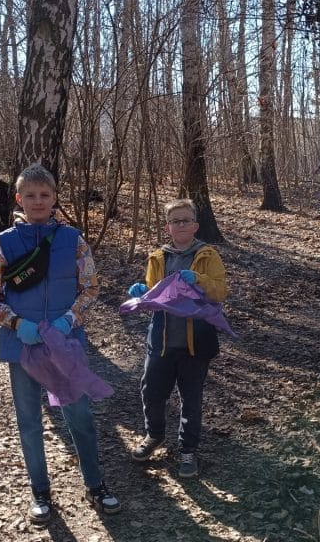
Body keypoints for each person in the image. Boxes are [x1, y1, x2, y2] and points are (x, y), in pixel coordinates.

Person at [0, 164, 121, 524]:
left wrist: (68, 321)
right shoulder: (3, 243)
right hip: (21, 344)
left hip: (65, 343)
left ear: (55, 197)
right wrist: (16, 323)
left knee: (80, 416)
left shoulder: (74, 240)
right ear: (19, 199)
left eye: (45, 195)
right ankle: (40, 491)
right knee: (29, 421)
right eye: (30, 195)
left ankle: (95, 483)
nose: (38, 201)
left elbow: (90, 288)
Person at [126, 198, 227, 478]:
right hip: (160, 341)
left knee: (191, 399)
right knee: (152, 392)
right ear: (167, 227)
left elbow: (219, 292)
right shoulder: (158, 257)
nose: (180, 225)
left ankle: (187, 450)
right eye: (175, 221)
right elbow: (152, 294)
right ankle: (154, 435)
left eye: (185, 220)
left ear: (195, 225)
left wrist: (198, 279)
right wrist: (139, 293)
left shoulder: (208, 255)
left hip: (197, 343)